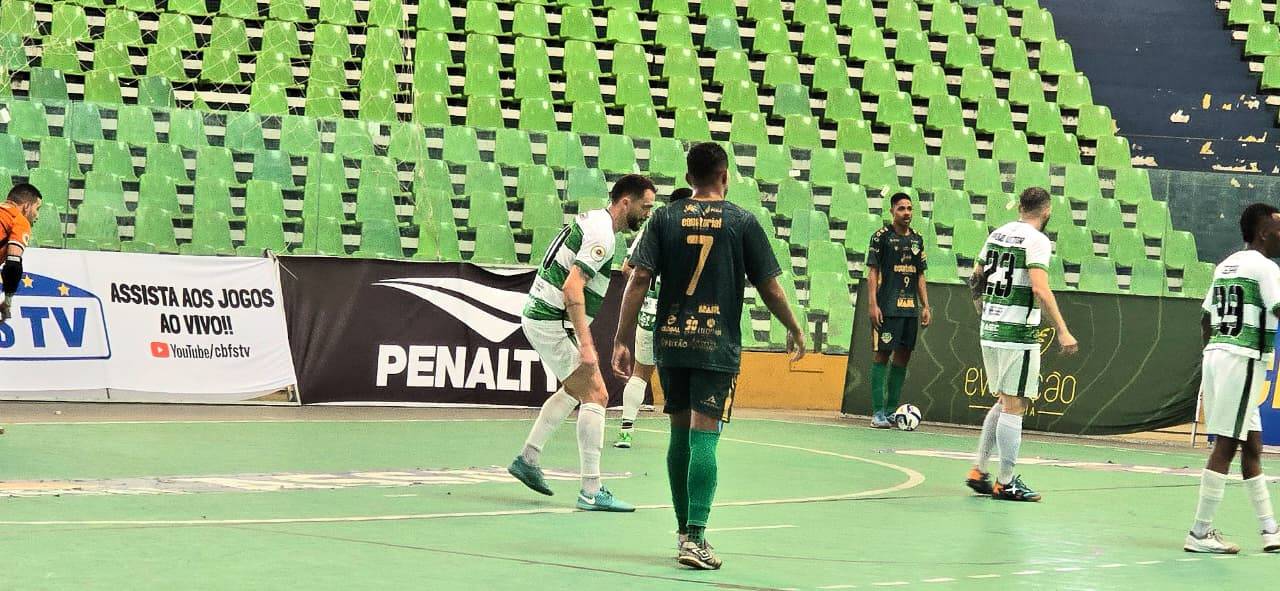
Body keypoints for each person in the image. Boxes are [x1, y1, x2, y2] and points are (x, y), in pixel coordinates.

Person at [612, 142, 806, 570]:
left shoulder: (663, 217)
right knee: (705, 435)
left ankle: (683, 533)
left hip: (673, 340)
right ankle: (696, 537)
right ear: (724, 175)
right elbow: (769, 285)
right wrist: (793, 326)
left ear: (688, 178)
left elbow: (639, 278)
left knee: (679, 434)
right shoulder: (741, 221)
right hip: (716, 343)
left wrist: (622, 338)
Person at [507, 174, 656, 513]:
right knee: (597, 395)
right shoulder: (603, 234)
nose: (647, 214)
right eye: (645, 207)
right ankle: (591, 490)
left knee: (575, 390)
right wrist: (587, 346)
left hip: (544, 317)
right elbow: (573, 288)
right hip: (551, 320)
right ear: (625, 203)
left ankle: (528, 458)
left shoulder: (595, 221)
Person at [964, 187, 1078, 502]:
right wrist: (1063, 330)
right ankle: (1006, 481)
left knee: (1004, 401)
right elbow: (1040, 289)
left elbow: (976, 279)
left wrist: (984, 315)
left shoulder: (997, 234)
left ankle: (979, 469)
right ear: (1047, 210)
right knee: (1015, 406)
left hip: (991, 328)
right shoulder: (1038, 241)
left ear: (1021, 207)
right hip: (1017, 333)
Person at [1182, 204, 1280, 554]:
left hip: (1220, 356)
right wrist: (1234, 353)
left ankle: (1270, 530)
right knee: (1226, 444)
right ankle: (1199, 532)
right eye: (1279, 228)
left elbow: (1206, 317)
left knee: (1251, 445)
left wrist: (1217, 351)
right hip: (1243, 359)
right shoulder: (1266, 268)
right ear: (1264, 232)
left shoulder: (1227, 264)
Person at [615, 187, 694, 449]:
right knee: (686, 377)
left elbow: (628, 269)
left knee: (640, 373)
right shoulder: (699, 231)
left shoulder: (652, 228)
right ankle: (686, 437)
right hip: (684, 315)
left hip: (650, 312)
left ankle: (626, 431)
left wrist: (648, 290)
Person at [865, 192, 930, 428]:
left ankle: (892, 410)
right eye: (901, 209)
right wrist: (873, 304)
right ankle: (878, 413)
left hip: (910, 309)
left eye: (910, 209)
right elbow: (872, 272)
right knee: (882, 354)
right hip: (887, 307)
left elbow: (920, 274)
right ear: (892, 211)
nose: (906, 213)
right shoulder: (880, 237)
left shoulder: (917, 240)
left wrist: (925, 306)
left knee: (903, 356)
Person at [0, 183, 43, 324]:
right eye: (38, 208)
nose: (38, 215)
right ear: (26, 206)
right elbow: (13, 265)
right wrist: (7, 301)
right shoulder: (18, 220)